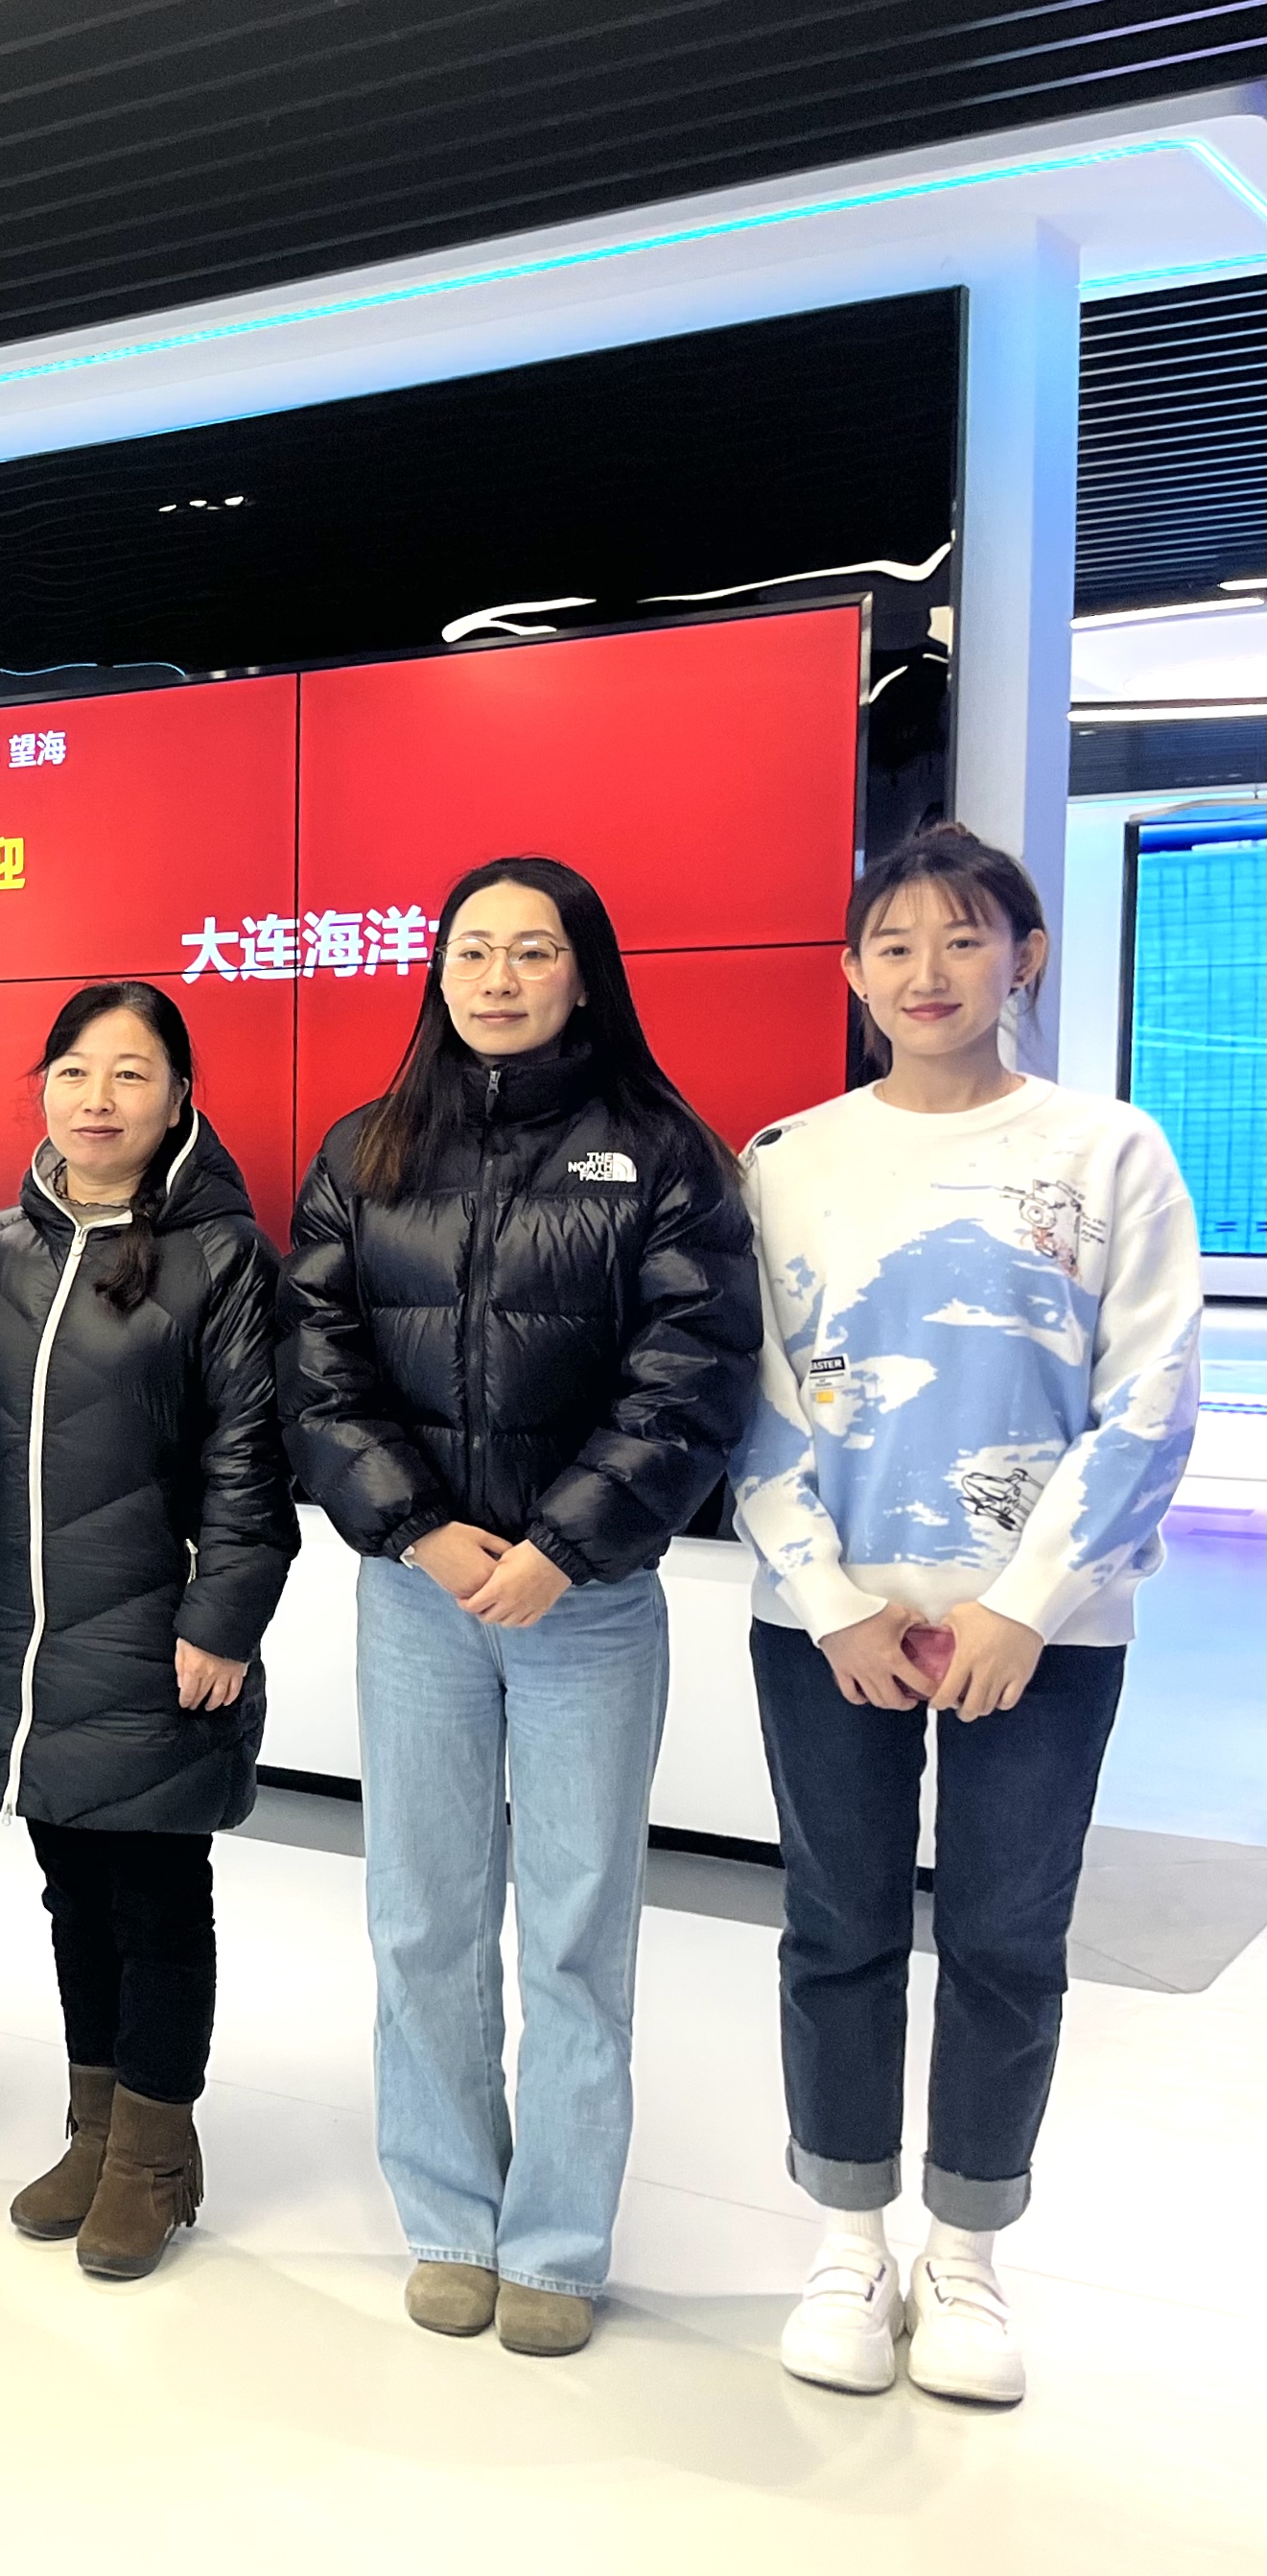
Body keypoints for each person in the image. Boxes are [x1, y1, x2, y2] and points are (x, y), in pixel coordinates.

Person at [734, 824, 1199, 2407]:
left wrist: (1021, 1604)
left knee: (1005, 1936)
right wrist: (829, 1603)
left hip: (1042, 1637)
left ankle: (964, 2252)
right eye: (892, 944)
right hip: (830, 1627)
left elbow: (1149, 1396)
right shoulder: (784, 1159)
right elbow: (751, 1396)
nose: (924, 971)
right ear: (851, 972)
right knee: (837, 1926)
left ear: (1023, 957)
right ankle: (844, 2241)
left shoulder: (1106, 1150)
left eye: (959, 937)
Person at [280, 854, 759, 2356]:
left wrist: (558, 1544)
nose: (496, 977)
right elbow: (316, 1366)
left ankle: (553, 2237)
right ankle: (446, 2214)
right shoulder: (366, 1147)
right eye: (470, 949)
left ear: (581, 970)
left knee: (571, 1924)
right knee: (420, 1912)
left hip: (586, 1599)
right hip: (414, 1592)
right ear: (435, 972)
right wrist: (418, 1529)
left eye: (529, 950)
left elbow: (691, 1376)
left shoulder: (661, 1152)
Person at [0, 981, 295, 2279]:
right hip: (28, 1629)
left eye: (130, 1073)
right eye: (74, 1070)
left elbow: (252, 1459)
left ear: (179, 1097)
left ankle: (152, 2157)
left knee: (153, 1894)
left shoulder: (223, 1256)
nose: (97, 1098)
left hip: (156, 1627)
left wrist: (223, 1617)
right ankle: (94, 2129)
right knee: (70, 1885)